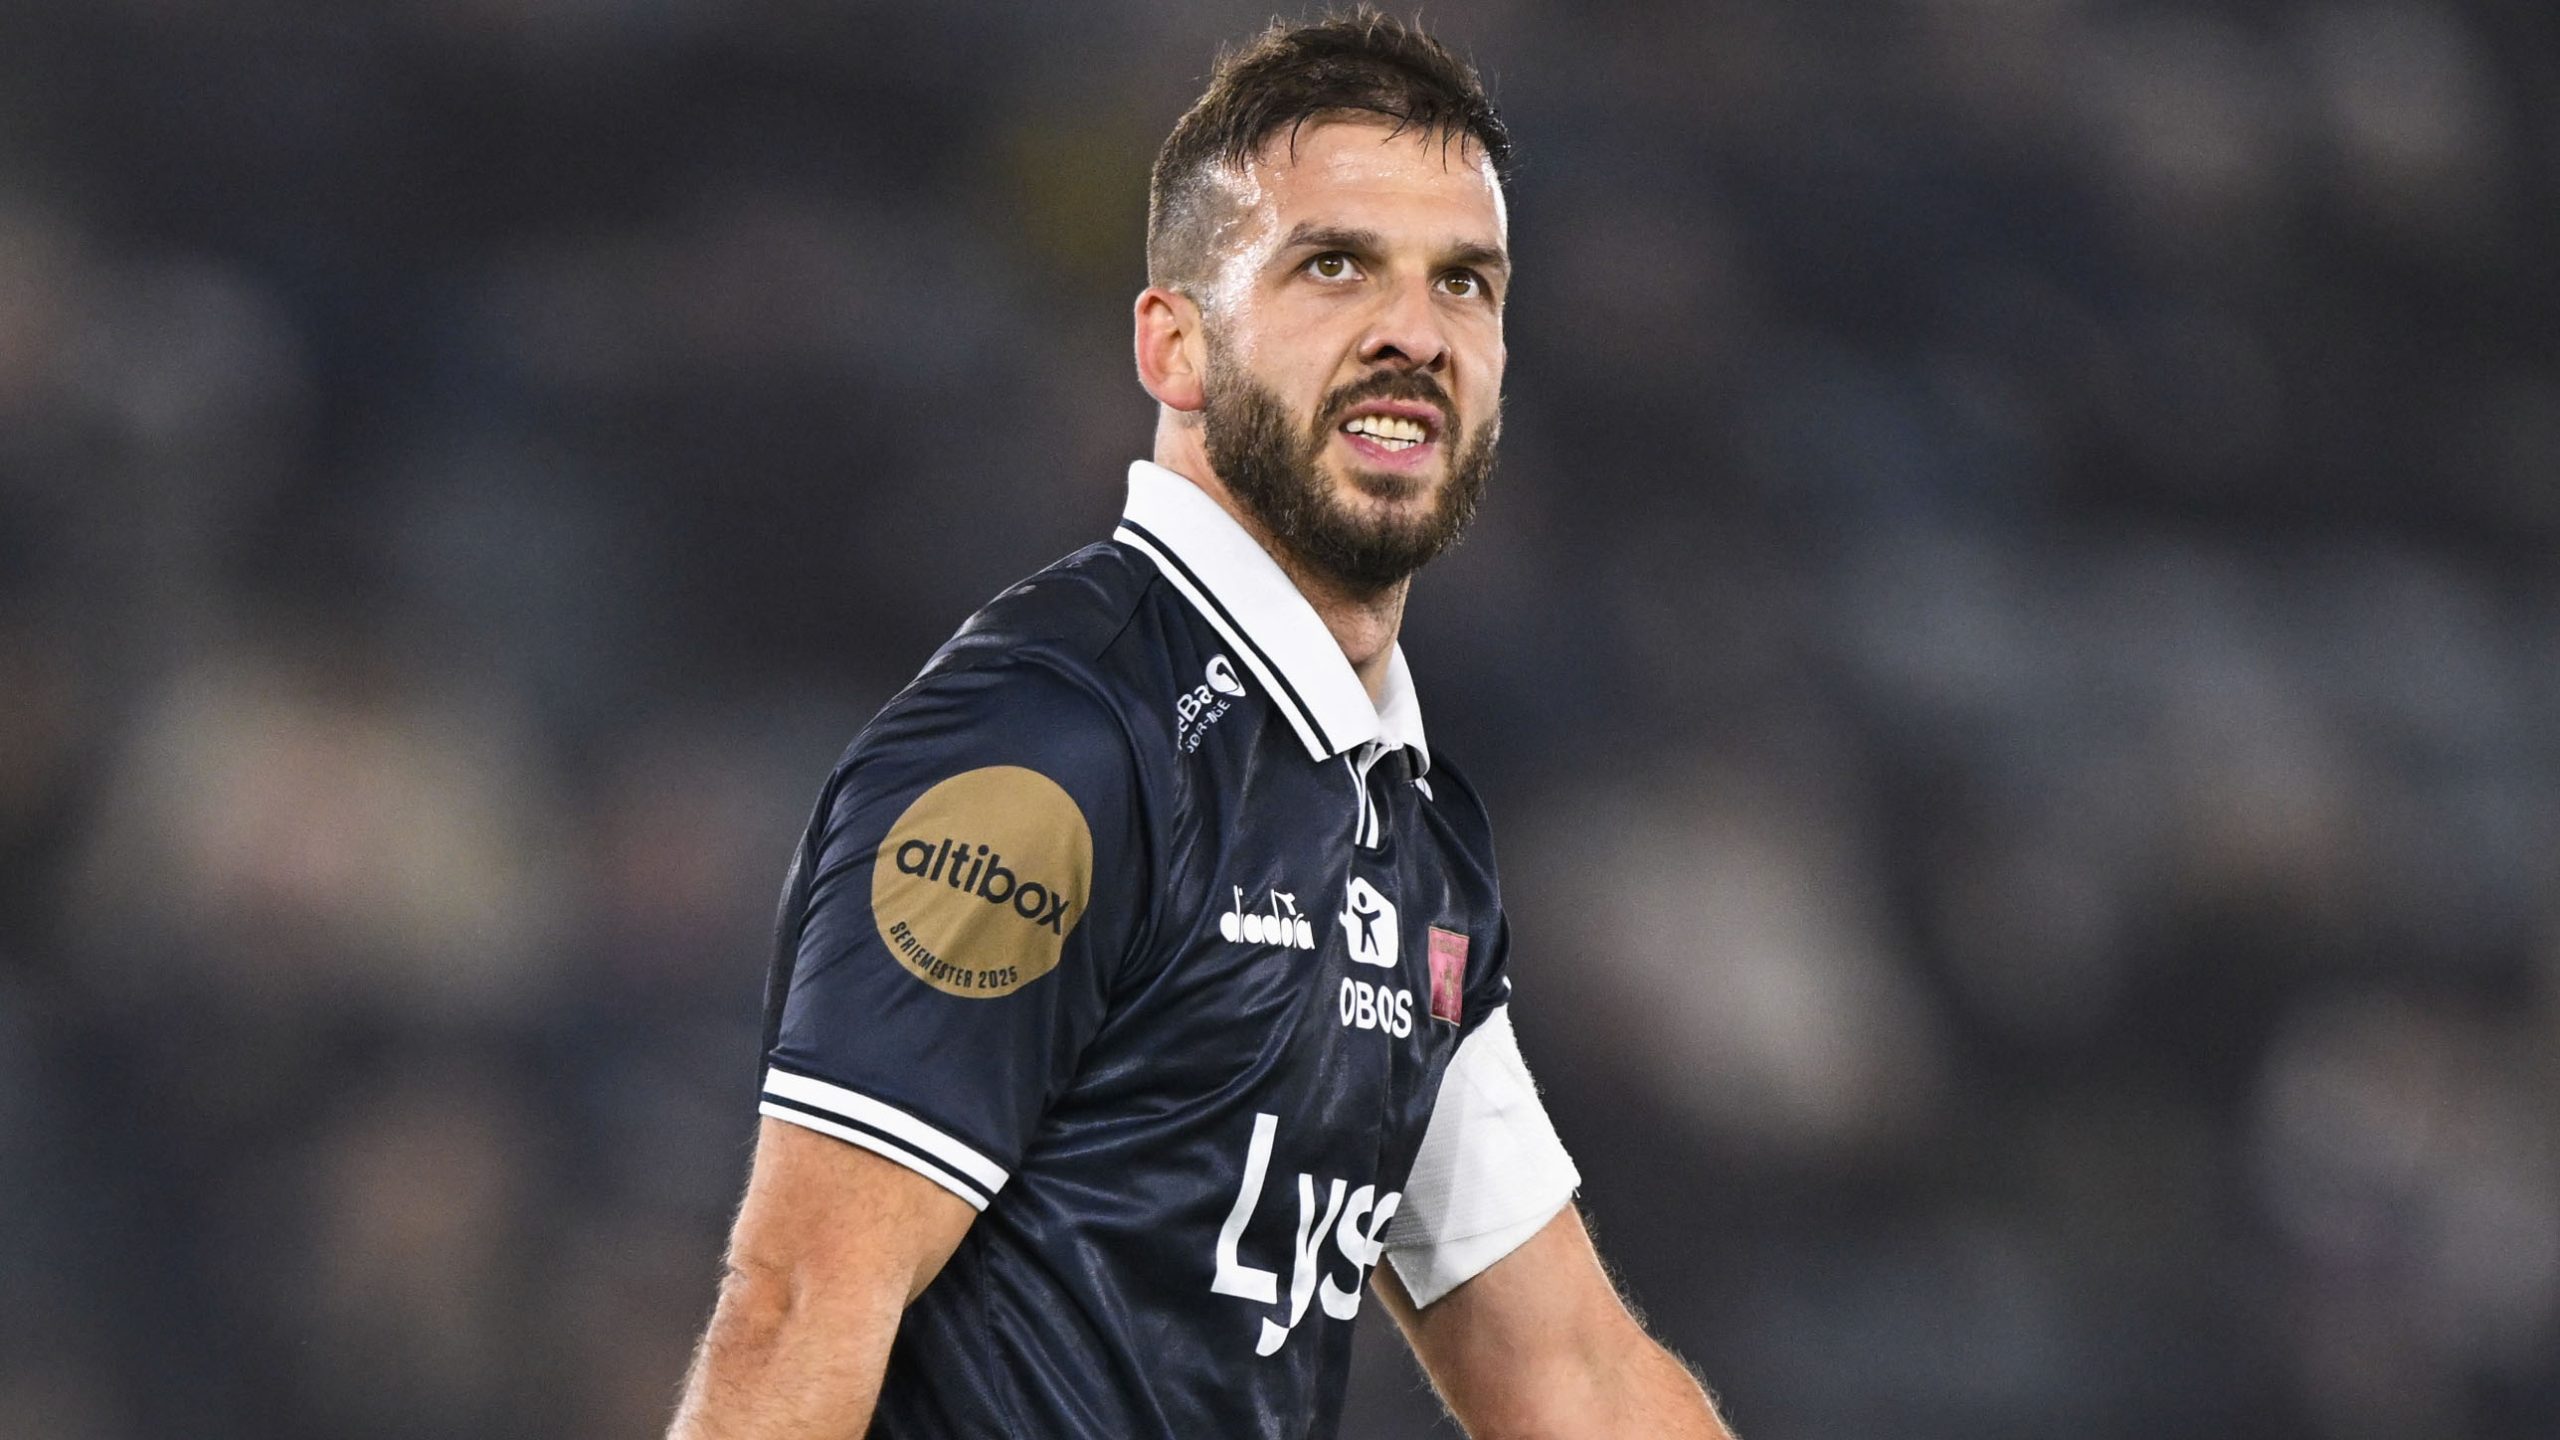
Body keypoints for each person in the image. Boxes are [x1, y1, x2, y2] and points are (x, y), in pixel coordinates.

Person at [667, 12, 1735, 1438]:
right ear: (1175, 347)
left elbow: (1573, 1375)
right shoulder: (1051, 748)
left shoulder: (1404, 833)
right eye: (1333, 265)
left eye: (1463, 282)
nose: (1414, 333)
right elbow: (797, 1308)